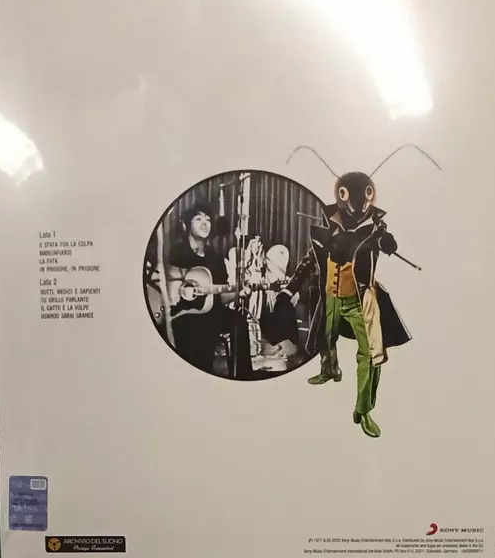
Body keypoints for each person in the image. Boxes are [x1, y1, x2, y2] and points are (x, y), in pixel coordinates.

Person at [274, 171, 411, 438]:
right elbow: (309, 262)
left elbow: (386, 243)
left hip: (360, 302)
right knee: (325, 338)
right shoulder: (327, 230)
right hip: (331, 298)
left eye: (365, 195)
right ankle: (329, 369)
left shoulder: (374, 230)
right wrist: (289, 289)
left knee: (370, 356)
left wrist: (387, 243)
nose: (358, 203)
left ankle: (363, 410)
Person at [167, 202, 253, 379]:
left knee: (238, 321)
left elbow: (220, 296)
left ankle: (243, 376)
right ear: (186, 224)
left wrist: (237, 293)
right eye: (198, 219)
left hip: (212, 310)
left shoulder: (215, 257)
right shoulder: (176, 252)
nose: (204, 223)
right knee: (204, 326)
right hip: (182, 313)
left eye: (207, 219)